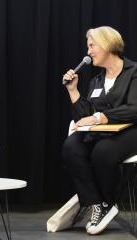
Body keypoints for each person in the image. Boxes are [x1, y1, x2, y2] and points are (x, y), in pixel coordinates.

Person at [62, 26, 137, 235]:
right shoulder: (96, 80)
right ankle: (98, 204)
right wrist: (73, 91)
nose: (89, 52)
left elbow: (134, 108)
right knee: (71, 146)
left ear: (107, 44)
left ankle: (107, 201)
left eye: (92, 45)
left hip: (132, 131)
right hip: (106, 133)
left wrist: (101, 117)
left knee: (103, 151)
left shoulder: (134, 72)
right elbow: (85, 116)